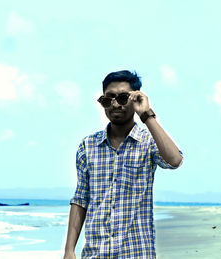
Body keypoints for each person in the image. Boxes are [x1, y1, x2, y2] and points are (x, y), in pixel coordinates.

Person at [64, 70, 183, 258]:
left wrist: (146, 115)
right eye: (108, 99)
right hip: (96, 253)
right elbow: (80, 199)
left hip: (136, 252)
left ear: (135, 99)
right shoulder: (88, 146)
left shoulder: (148, 142)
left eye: (122, 98)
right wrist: (69, 250)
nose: (115, 105)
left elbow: (174, 161)